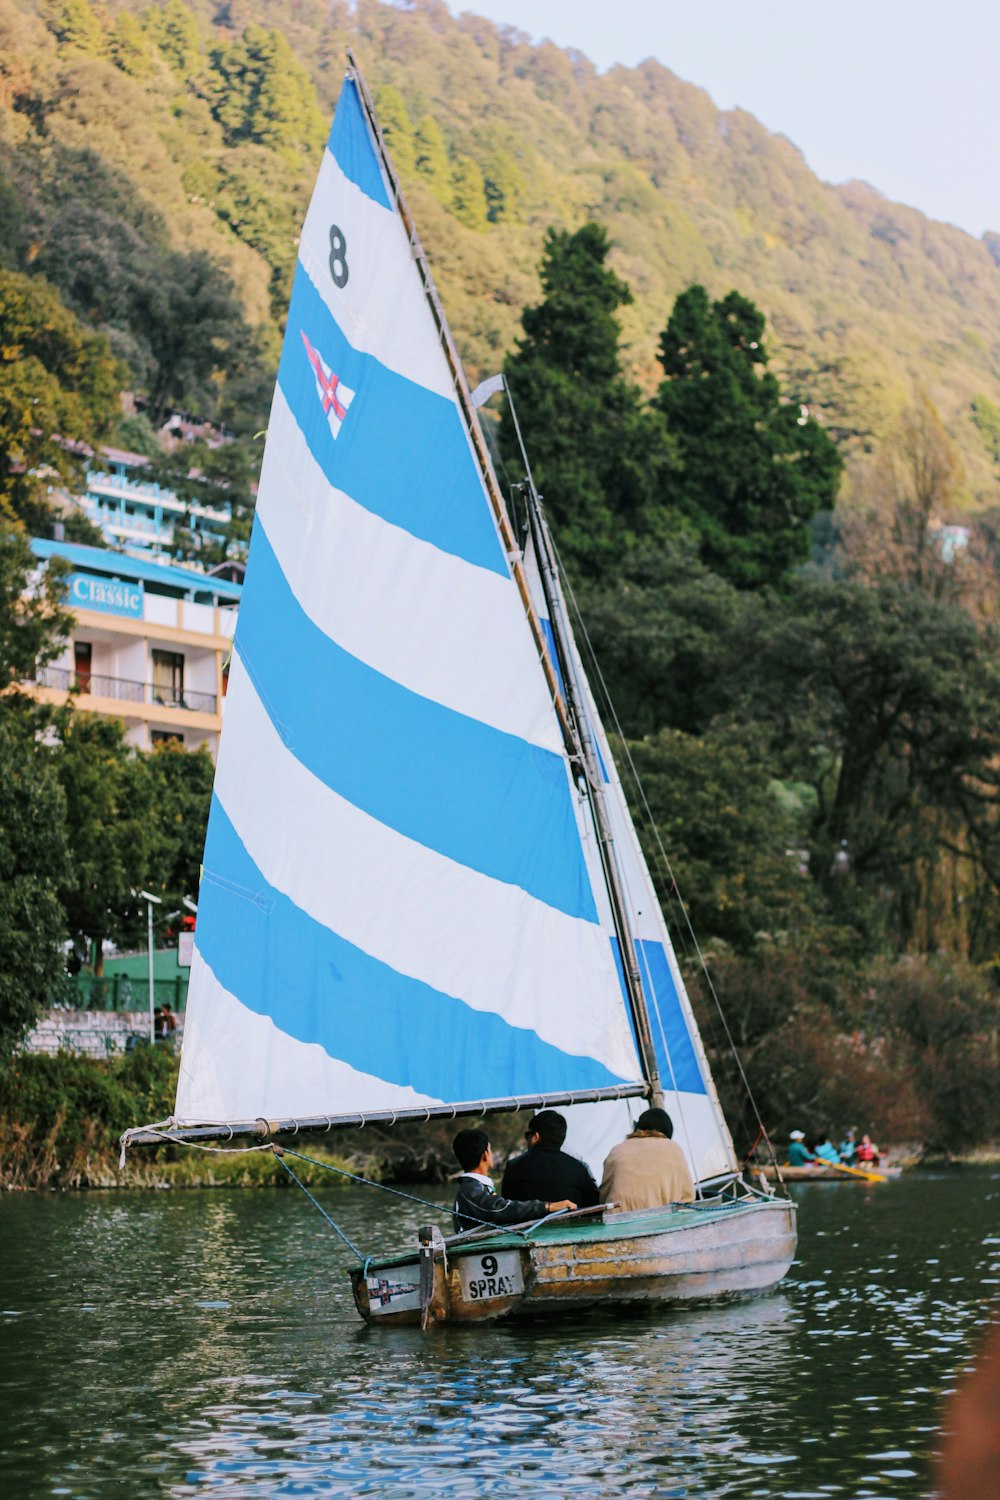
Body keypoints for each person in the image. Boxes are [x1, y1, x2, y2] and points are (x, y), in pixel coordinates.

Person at [452, 1128, 576, 1234]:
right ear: (485, 1155)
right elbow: (501, 1208)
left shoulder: (473, 1187)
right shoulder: (470, 1191)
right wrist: (548, 1207)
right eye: (490, 1149)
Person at [599, 1107, 695, 1211]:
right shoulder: (673, 1148)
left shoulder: (617, 1150)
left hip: (617, 1222)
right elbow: (688, 1196)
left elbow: (603, 1196)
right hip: (661, 1221)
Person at [501, 1110, 599, 1208]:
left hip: (527, 1223)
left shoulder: (514, 1166)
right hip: (572, 1222)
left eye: (528, 1135)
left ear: (535, 1137)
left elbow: (507, 1207)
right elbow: (593, 1205)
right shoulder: (579, 1169)